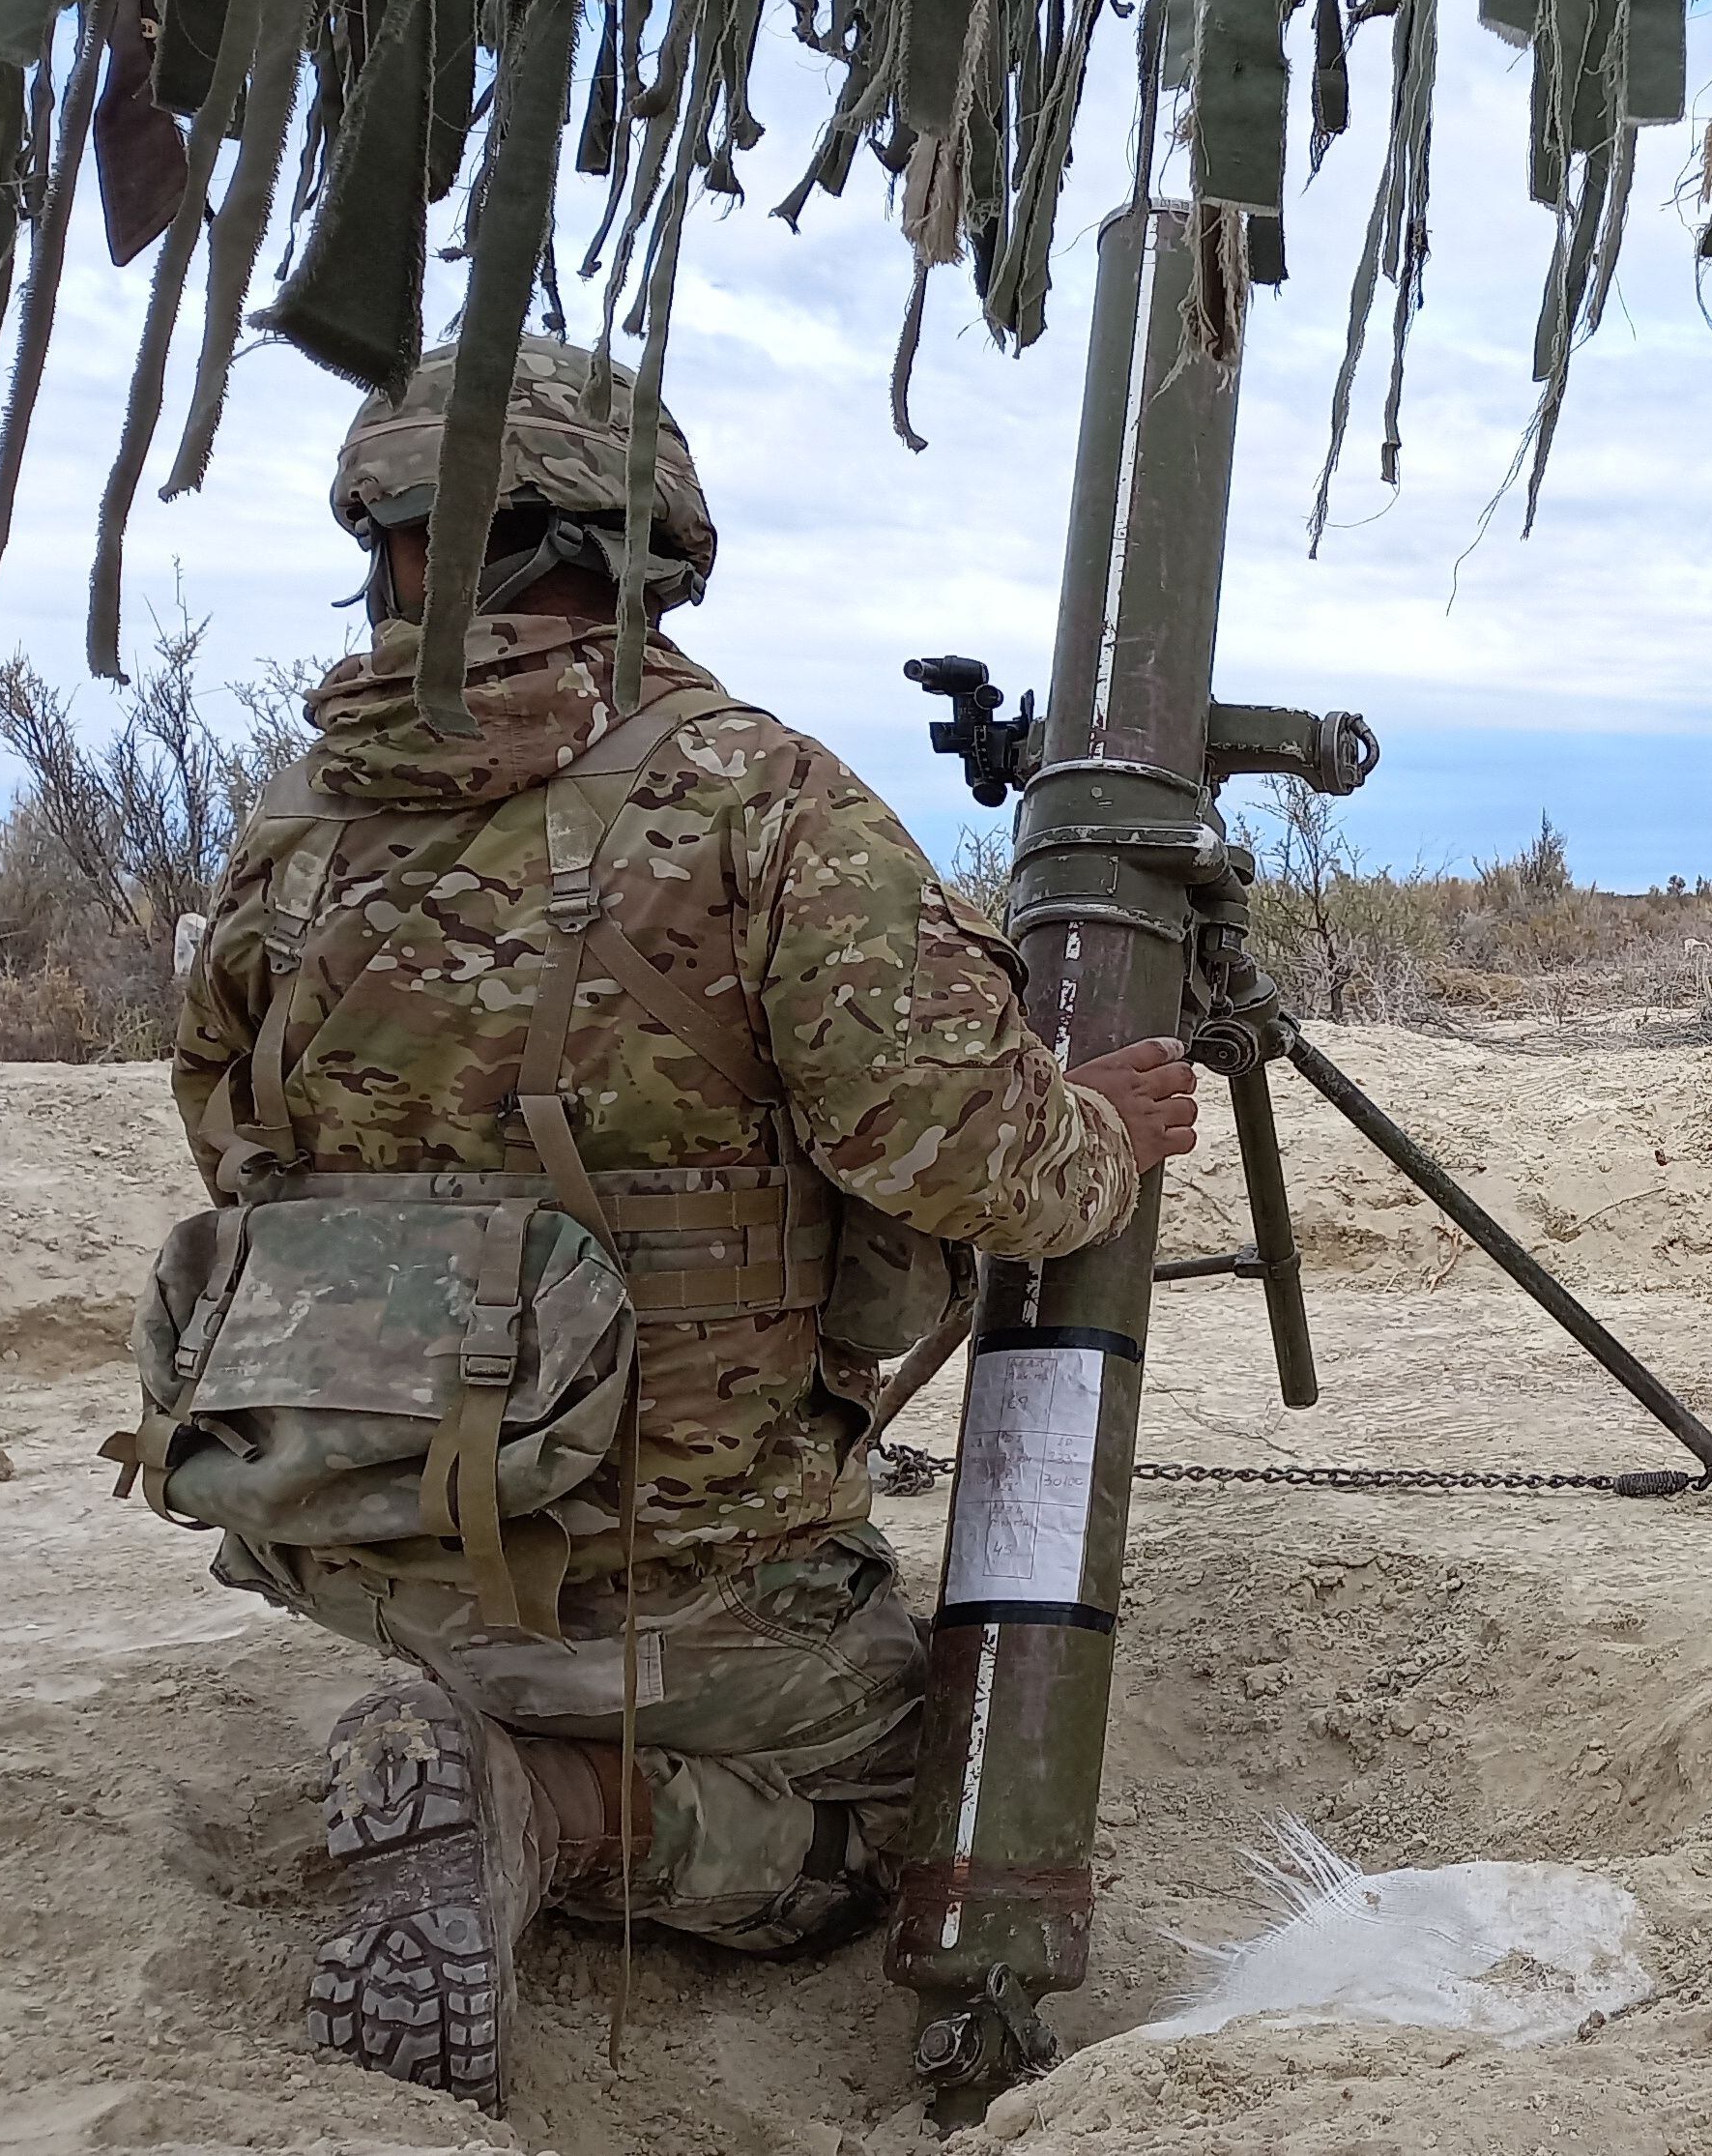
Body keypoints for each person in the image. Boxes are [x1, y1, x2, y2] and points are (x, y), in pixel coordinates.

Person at [125, 335, 1203, 2107]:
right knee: (909, 1808)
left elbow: (228, 1143)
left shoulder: (288, 832)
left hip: (347, 1542)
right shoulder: (756, 804)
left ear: (393, 540)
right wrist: (1105, 1127)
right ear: (648, 545)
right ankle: (543, 1803)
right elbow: (967, 1157)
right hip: (684, 1585)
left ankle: (465, 1720)